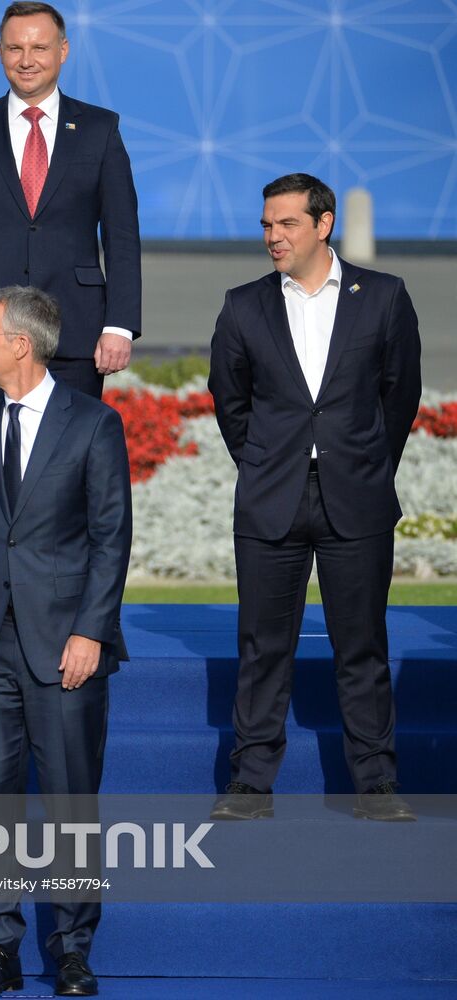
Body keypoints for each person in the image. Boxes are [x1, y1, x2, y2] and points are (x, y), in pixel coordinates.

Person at [208, 173, 422, 824]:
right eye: (266, 225)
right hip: (270, 497)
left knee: (361, 646)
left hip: (356, 497)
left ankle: (375, 785)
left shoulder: (382, 296)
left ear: (323, 224)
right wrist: (264, 462)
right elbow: (230, 401)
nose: (273, 236)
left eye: (287, 224)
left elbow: (399, 395)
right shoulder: (242, 305)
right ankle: (249, 785)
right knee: (262, 646)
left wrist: (364, 464)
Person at [0, 285, 131, 996]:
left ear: (21, 343)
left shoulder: (94, 424)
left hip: (66, 646)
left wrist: (90, 631)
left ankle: (73, 950)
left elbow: (111, 539)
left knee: (70, 799)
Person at [0, 1, 141, 408]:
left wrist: (120, 325)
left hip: (76, 332)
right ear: (0, 51)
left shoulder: (100, 129)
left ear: (63, 50)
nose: (26, 60)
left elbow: (122, 238)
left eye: (39, 48)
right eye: (14, 48)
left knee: (68, 447)